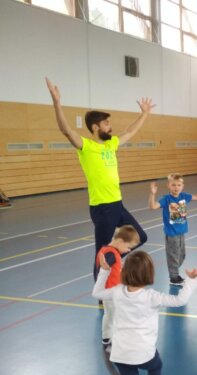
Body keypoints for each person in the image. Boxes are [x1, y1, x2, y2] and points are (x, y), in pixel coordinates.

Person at [92, 251, 197, 375]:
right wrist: (191, 281)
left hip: (120, 353)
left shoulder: (117, 291)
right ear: (149, 274)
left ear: (125, 272)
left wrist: (104, 272)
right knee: (155, 367)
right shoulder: (151, 296)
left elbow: (96, 293)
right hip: (142, 352)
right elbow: (179, 301)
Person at [45, 78, 151, 278]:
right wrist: (57, 102)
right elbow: (66, 130)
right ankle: (100, 290)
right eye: (106, 124)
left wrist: (144, 114)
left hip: (117, 204)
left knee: (140, 237)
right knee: (101, 254)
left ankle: (112, 260)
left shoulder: (111, 144)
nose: (110, 127)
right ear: (95, 127)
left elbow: (130, 131)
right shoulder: (86, 147)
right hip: (102, 207)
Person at [149, 173, 197, 286]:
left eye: (179, 185)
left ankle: (174, 272)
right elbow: (153, 206)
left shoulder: (184, 196)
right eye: (173, 185)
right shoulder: (166, 199)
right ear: (168, 185)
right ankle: (173, 277)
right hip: (171, 233)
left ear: (182, 186)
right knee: (173, 255)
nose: (176, 188)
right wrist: (152, 194)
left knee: (181, 255)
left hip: (181, 232)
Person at [95, 225, 141, 349]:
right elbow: (103, 268)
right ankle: (116, 339)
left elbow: (110, 267)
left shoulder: (108, 251)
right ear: (120, 241)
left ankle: (107, 337)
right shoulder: (111, 253)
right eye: (128, 247)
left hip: (110, 292)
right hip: (111, 293)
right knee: (115, 316)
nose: (128, 250)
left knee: (110, 315)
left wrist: (120, 265)